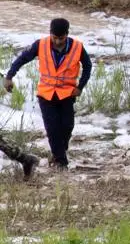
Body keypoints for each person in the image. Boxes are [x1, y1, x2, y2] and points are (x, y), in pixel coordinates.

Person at [4, 17, 91, 171]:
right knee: (52, 129)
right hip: (46, 94)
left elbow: (88, 66)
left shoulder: (77, 47)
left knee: (67, 127)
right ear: (50, 33)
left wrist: (81, 87)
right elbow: (22, 58)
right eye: (55, 38)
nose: (58, 41)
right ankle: (61, 162)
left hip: (67, 94)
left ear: (67, 34)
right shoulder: (40, 44)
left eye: (61, 38)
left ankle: (59, 152)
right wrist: (9, 76)